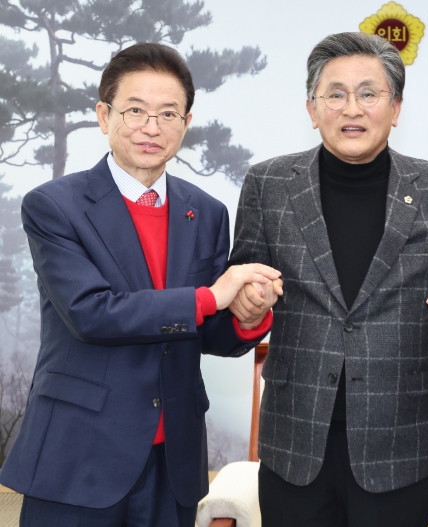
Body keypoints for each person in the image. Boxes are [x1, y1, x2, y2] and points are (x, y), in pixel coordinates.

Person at [0, 42, 282, 527]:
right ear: (103, 116)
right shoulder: (55, 205)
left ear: (185, 124)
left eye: (168, 114)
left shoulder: (207, 212)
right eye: (135, 110)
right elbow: (91, 313)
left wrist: (248, 316)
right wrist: (211, 297)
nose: (152, 127)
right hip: (80, 454)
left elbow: (205, 328)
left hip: (173, 458)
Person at [228, 32, 428, 527]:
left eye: (369, 93)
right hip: (295, 440)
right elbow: (241, 284)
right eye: (335, 94)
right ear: (312, 109)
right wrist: (247, 304)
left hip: (400, 443)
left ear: (396, 108)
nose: (352, 108)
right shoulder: (268, 185)